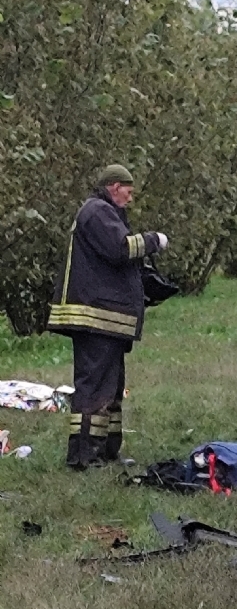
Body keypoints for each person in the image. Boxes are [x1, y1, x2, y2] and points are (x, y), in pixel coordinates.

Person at [47, 165, 168, 469]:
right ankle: (84, 457)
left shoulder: (102, 212)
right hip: (95, 318)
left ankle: (106, 452)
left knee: (111, 388)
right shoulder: (97, 211)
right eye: (128, 189)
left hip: (106, 320)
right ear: (114, 186)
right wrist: (154, 240)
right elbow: (120, 248)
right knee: (94, 389)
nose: (130, 196)